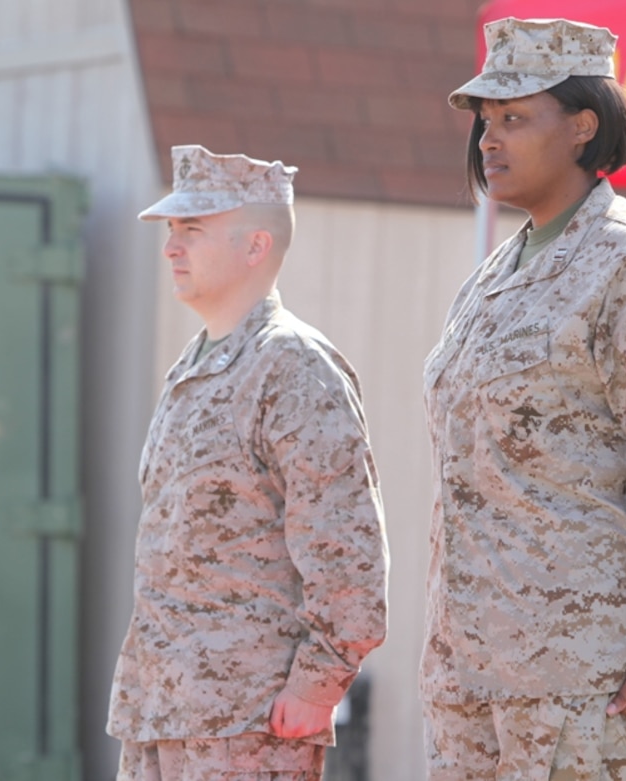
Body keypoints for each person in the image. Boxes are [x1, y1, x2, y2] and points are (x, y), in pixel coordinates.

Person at [420, 17, 626, 780]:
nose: (489, 140)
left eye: (515, 118)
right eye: (485, 121)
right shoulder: (494, 274)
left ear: (583, 126)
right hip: (468, 670)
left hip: (574, 673)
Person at [106, 145, 389, 781]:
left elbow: (348, 551)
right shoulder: (195, 368)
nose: (170, 248)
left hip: (247, 723)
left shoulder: (292, 367)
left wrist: (318, 684)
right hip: (162, 712)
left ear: (256, 246)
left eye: (193, 230)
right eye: (171, 231)